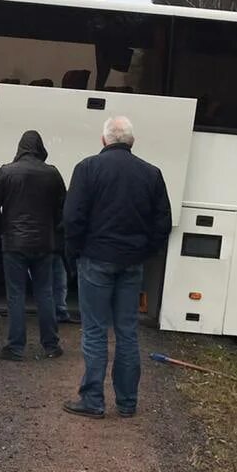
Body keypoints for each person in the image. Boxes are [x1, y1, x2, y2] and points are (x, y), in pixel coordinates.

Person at [62, 117, 172, 419]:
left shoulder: (87, 169)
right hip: (132, 263)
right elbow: (162, 223)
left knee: (95, 330)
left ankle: (93, 401)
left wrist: (74, 254)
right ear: (132, 142)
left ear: (103, 140)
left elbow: (72, 218)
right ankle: (127, 402)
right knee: (127, 331)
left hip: (95, 259)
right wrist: (144, 252)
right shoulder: (152, 174)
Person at [0, 130, 66, 361]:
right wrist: (54, 228)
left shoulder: (7, 171)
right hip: (44, 243)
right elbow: (65, 206)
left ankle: (15, 347)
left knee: (16, 295)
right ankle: (51, 345)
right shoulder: (52, 173)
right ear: (40, 148)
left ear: (20, 147)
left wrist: (2, 231)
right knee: (45, 293)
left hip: (14, 243)